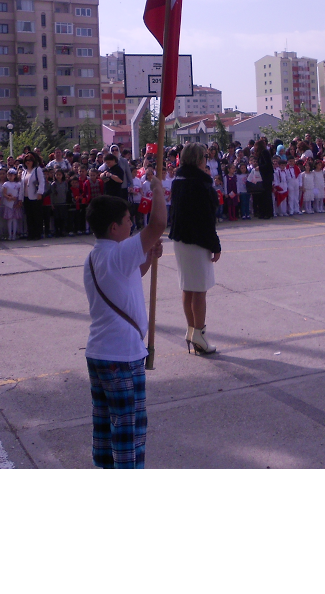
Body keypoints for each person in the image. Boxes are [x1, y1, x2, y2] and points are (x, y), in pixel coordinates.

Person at [82, 172, 166, 469]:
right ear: (114, 227)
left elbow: (132, 276)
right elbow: (157, 224)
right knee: (129, 434)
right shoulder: (118, 252)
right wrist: (157, 189)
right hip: (121, 356)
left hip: (99, 353)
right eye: (129, 220)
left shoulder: (96, 256)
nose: (133, 224)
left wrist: (147, 257)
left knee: (106, 428)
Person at [168, 143, 221, 356]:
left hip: (181, 239)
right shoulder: (200, 183)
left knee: (187, 287)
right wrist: (215, 245)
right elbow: (206, 218)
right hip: (197, 240)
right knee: (199, 289)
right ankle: (199, 332)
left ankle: (192, 331)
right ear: (199, 160)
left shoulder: (178, 181)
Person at [21, 156, 46, 239]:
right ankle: (30, 234)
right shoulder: (24, 172)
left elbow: (42, 182)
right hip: (26, 197)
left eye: (30, 160)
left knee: (36, 216)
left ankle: (37, 234)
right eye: (26, 160)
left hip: (35, 196)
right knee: (29, 216)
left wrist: (40, 193)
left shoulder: (37, 169)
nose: (28, 162)